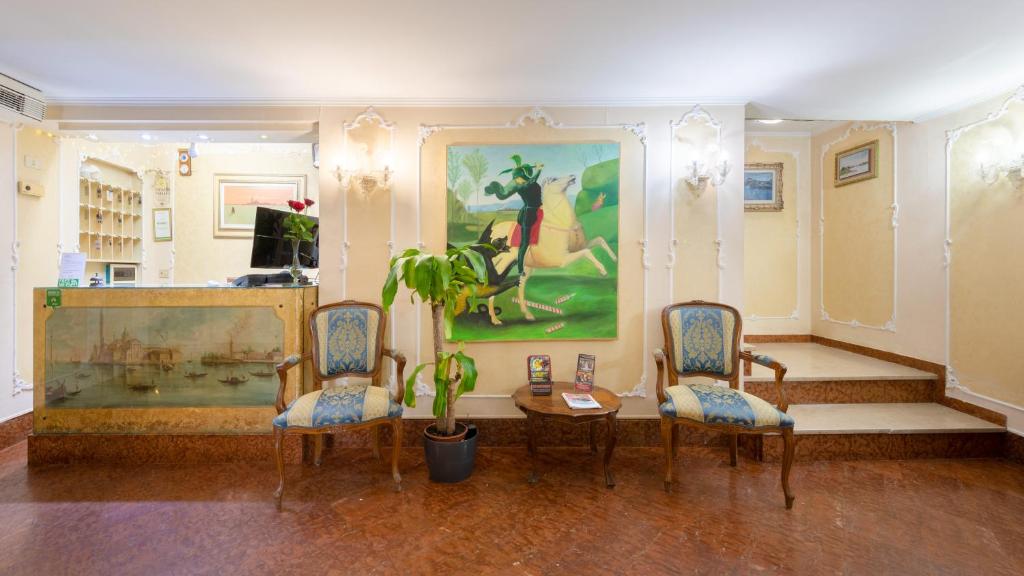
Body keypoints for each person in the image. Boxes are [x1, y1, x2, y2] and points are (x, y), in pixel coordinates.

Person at [484, 155, 544, 275]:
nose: (516, 180)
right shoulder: (521, 186)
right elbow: (532, 181)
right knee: (525, 243)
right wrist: (539, 170)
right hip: (528, 215)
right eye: (516, 179)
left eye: (517, 177)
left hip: (539, 210)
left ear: (523, 175)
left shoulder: (527, 182)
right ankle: (521, 269)